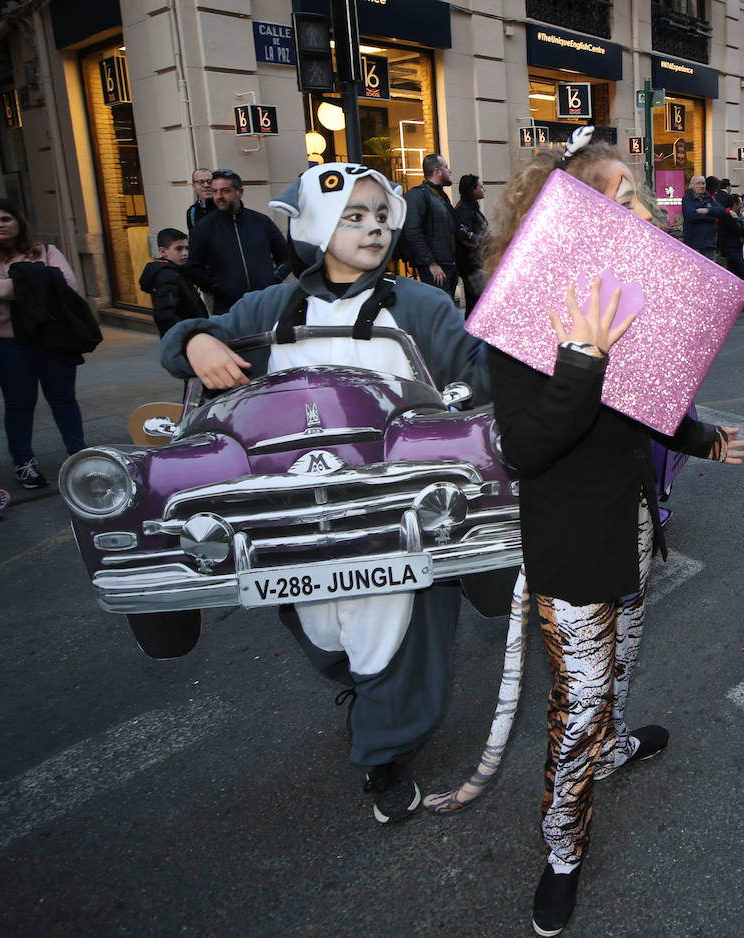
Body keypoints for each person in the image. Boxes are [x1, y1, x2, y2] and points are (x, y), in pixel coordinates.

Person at [161, 162, 489, 825]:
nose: (371, 228)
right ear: (315, 225)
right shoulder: (269, 307)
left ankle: (383, 754)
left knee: (401, 631)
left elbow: (478, 373)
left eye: (377, 216)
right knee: (326, 631)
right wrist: (195, 340)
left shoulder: (420, 305)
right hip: (294, 518)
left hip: (401, 510)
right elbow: (180, 345)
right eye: (352, 216)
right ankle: (369, 696)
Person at [481, 129, 744, 937]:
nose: (640, 205)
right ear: (571, 214)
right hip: (567, 540)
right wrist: (580, 357)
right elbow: (527, 449)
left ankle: (612, 747)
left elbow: (651, 400)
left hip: (629, 525)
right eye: (620, 193)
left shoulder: (629, 292)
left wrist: (699, 438)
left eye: (637, 191)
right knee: (583, 692)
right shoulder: (524, 305)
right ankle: (562, 850)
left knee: (625, 657)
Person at [0, 198, 86, 489]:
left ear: (18, 220)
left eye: (5, 219)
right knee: (20, 403)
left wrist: (21, 278)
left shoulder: (47, 250)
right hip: (6, 343)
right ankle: (24, 462)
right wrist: (45, 278)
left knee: (64, 399)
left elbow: (69, 286)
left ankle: (81, 457)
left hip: (53, 339)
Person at [187, 170, 290, 312]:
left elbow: (286, 257)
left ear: (239, 192)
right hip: (228, 309)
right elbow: (193, 268)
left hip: (267, 303)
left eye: (225, 191)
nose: (219, 196)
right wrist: (217, 286)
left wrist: (274, 279)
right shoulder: (204, 228)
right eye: (215, 191)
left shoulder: (261, 222)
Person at [399, 153, 460, 296]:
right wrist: (431, 263)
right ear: (437, 172)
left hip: (449, 264)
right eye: (446, 167)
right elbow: (412, 232)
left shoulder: (440, 196)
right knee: (441, 312)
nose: (449, 171)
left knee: (448, 310)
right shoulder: (417, 196)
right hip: (435, 268)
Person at [138, 227, 208, 337]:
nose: (185, 253)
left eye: (187, 248)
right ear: (163, 251)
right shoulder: (166, 276)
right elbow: (165, 315)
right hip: (184, 337)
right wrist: (186, 336)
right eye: (179, 249)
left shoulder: (179, 270)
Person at [454, 173, 489, 312]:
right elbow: (463, 236)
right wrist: (484, 241)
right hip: (471, 264)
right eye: (481, 187)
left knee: (477, 302)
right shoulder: (464, 210)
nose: (483, 189)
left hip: (476, 262)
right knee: (475, 303)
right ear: (472, 190)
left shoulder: (472, 209)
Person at [681, 174, 723, 258]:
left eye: (703, 183)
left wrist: (707, 210)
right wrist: (712, 216)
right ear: (692, 185)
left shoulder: (708, 197)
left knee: (711, 270)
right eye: (698, 183)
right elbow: (691, 216)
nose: (701, 186)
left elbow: (721, 210)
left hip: (709, 242)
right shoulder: (687, 198)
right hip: (694, 243)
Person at [186, 168, 214, 233]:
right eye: (200, 182)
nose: (206, 185)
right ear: (194, 186)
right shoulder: (191, 212)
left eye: (209, 181)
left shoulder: (224, 207)